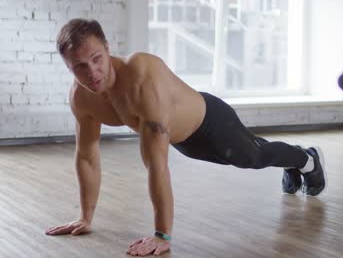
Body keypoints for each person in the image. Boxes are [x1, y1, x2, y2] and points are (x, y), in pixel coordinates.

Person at [45, 18, 327, 257]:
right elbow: (87, 156)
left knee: (252, 157)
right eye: (79, 66)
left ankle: (307, 159)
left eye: (96, 59)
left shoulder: (141, 76)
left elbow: (156, 163)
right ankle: (295, 159)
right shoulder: (82, 99)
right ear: (68, 67)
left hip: (211, 122)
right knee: (253, 149)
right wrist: (85, 217)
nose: (92, 73)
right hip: (184, 141)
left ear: (107, 49)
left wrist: (162, 236)